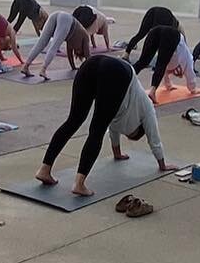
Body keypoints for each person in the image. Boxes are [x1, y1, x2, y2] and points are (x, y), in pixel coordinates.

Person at [34, 53, 175, 196]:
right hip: (116, 73)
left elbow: (114, 125)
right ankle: (79, 184)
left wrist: (117, 153)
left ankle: (44, 170)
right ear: (138, 127)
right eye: (130, 135)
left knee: (73, 121)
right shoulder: (146, 106)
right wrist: (162, 164)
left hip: (92, 64)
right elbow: (153, 136)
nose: (125, 133)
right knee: (97, 130)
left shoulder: (126, 106)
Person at [130, 25, 199, 98]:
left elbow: (164, 72)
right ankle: (152, 92)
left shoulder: (174, 59)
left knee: (143, 61)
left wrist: (168, 85)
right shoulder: (187, 58)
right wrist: (193, 89)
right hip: (172, 35)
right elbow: (190, 73)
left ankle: (126, 76)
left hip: (155, 31)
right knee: (161, 63)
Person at [21, 10, 91, 80]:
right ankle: (43, 70)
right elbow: (88, 57)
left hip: (57, 15)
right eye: (79, 50)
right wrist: (92, 71)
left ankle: (25, 66)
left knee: (41, 43)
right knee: (53, 45)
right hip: (66, 19)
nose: (77, 51)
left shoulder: (73, 41)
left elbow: (69, 54)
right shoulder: (85, 37)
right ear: (83, 51)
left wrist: (73, 67)